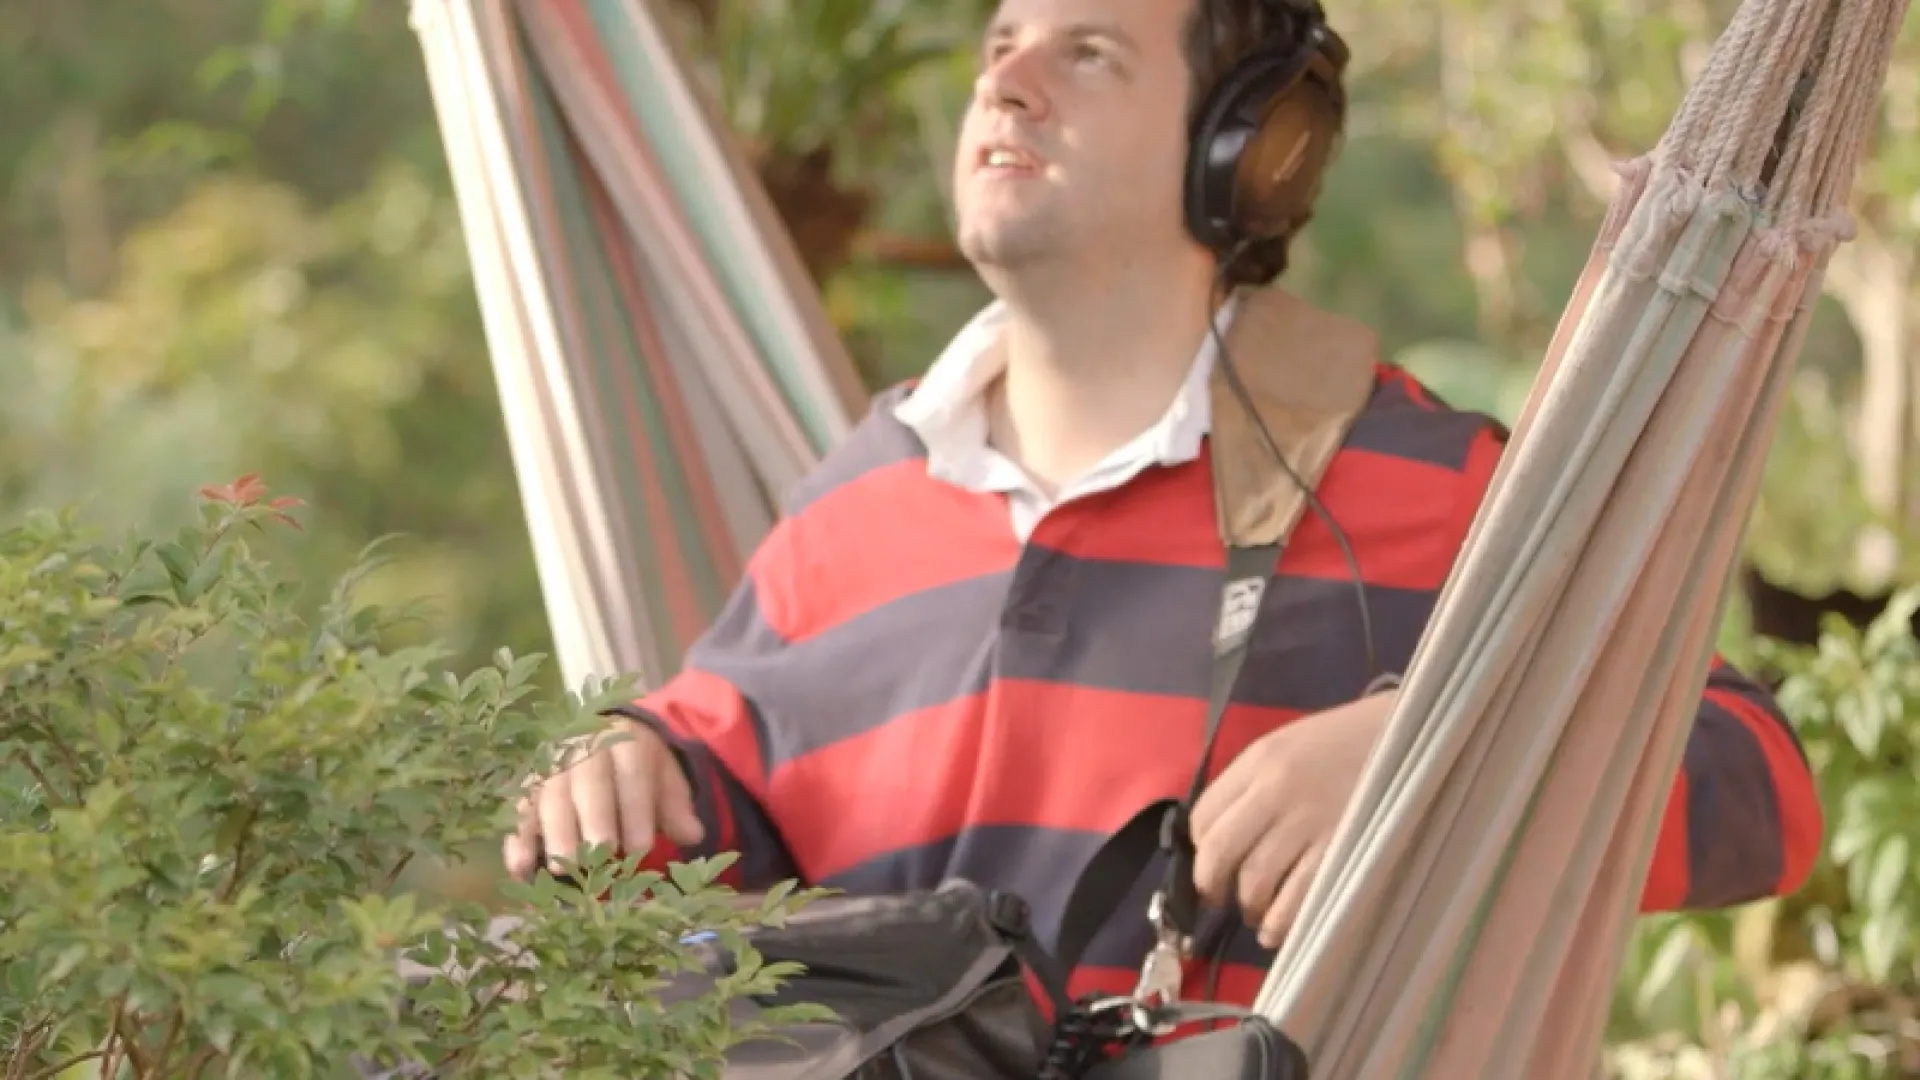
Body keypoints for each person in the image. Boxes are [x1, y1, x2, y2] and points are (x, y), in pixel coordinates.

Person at [505, 0, 1824, 1008]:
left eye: (1087, 53)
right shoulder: (848, 507)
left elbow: (1762, 787)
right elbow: (710, 804)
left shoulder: (1414, 478)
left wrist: (1428, 748)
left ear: (1252, 150)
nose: (1004, 80)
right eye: (1004, 42)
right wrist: (628, 762)